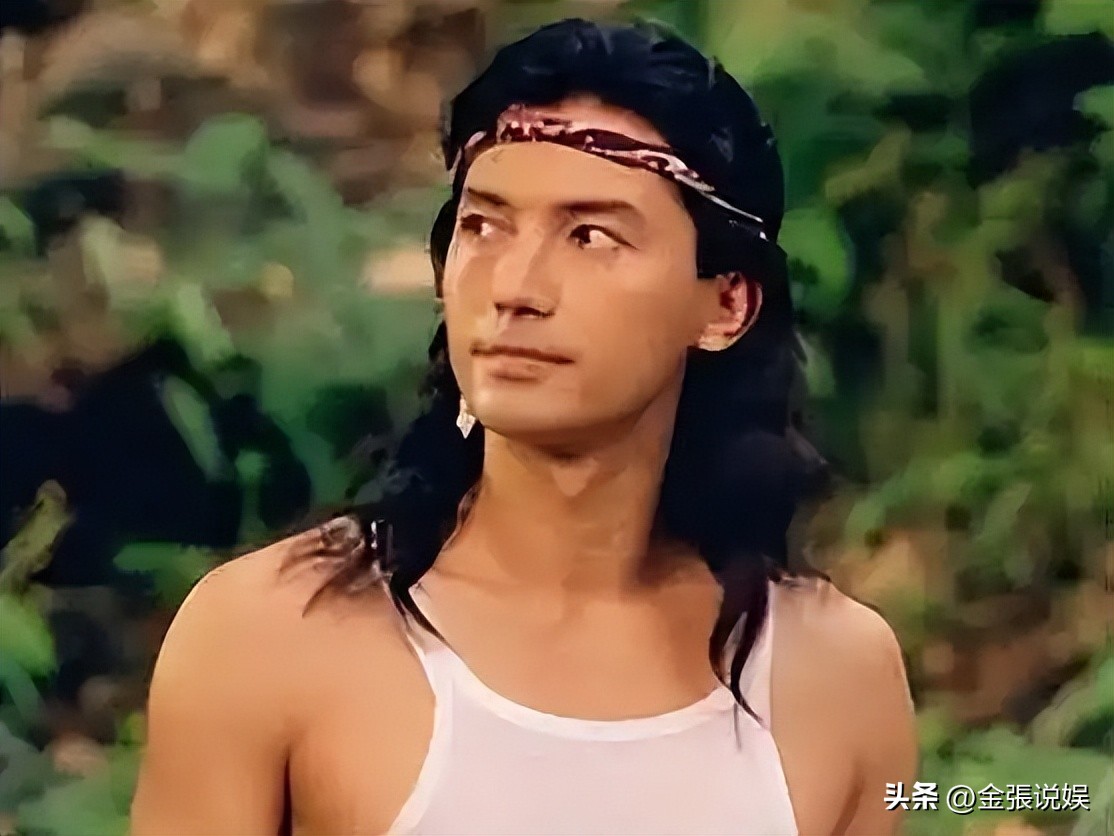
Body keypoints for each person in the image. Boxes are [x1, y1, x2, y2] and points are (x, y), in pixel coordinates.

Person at [130, 18, 918, 836]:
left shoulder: (833, 678)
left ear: (725, 304)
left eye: (591, 236)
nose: (515, 287)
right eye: (484, 226)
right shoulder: (272, 638)